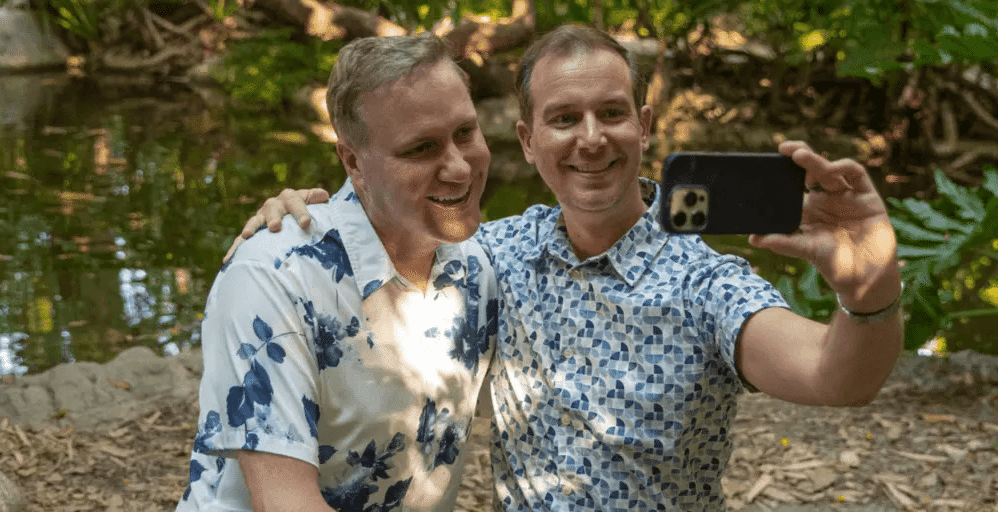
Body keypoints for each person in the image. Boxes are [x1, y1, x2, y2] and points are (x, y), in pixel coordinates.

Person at [228, 25, 904, 511]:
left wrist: (869, 286)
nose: (591, 138)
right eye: (563, 118)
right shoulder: (492, 255)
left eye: (611, 113)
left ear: (644, 125)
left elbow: (837, 378)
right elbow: (387, 224)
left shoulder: (705, 284)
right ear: (528, 140)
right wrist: (303, 217)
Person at [177, 33, 500, 512]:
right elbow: (285, 502)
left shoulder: (480, 265)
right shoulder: (273, 276)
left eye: (466, 133)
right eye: (422, 149)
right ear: (353, 162)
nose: (459, 168)